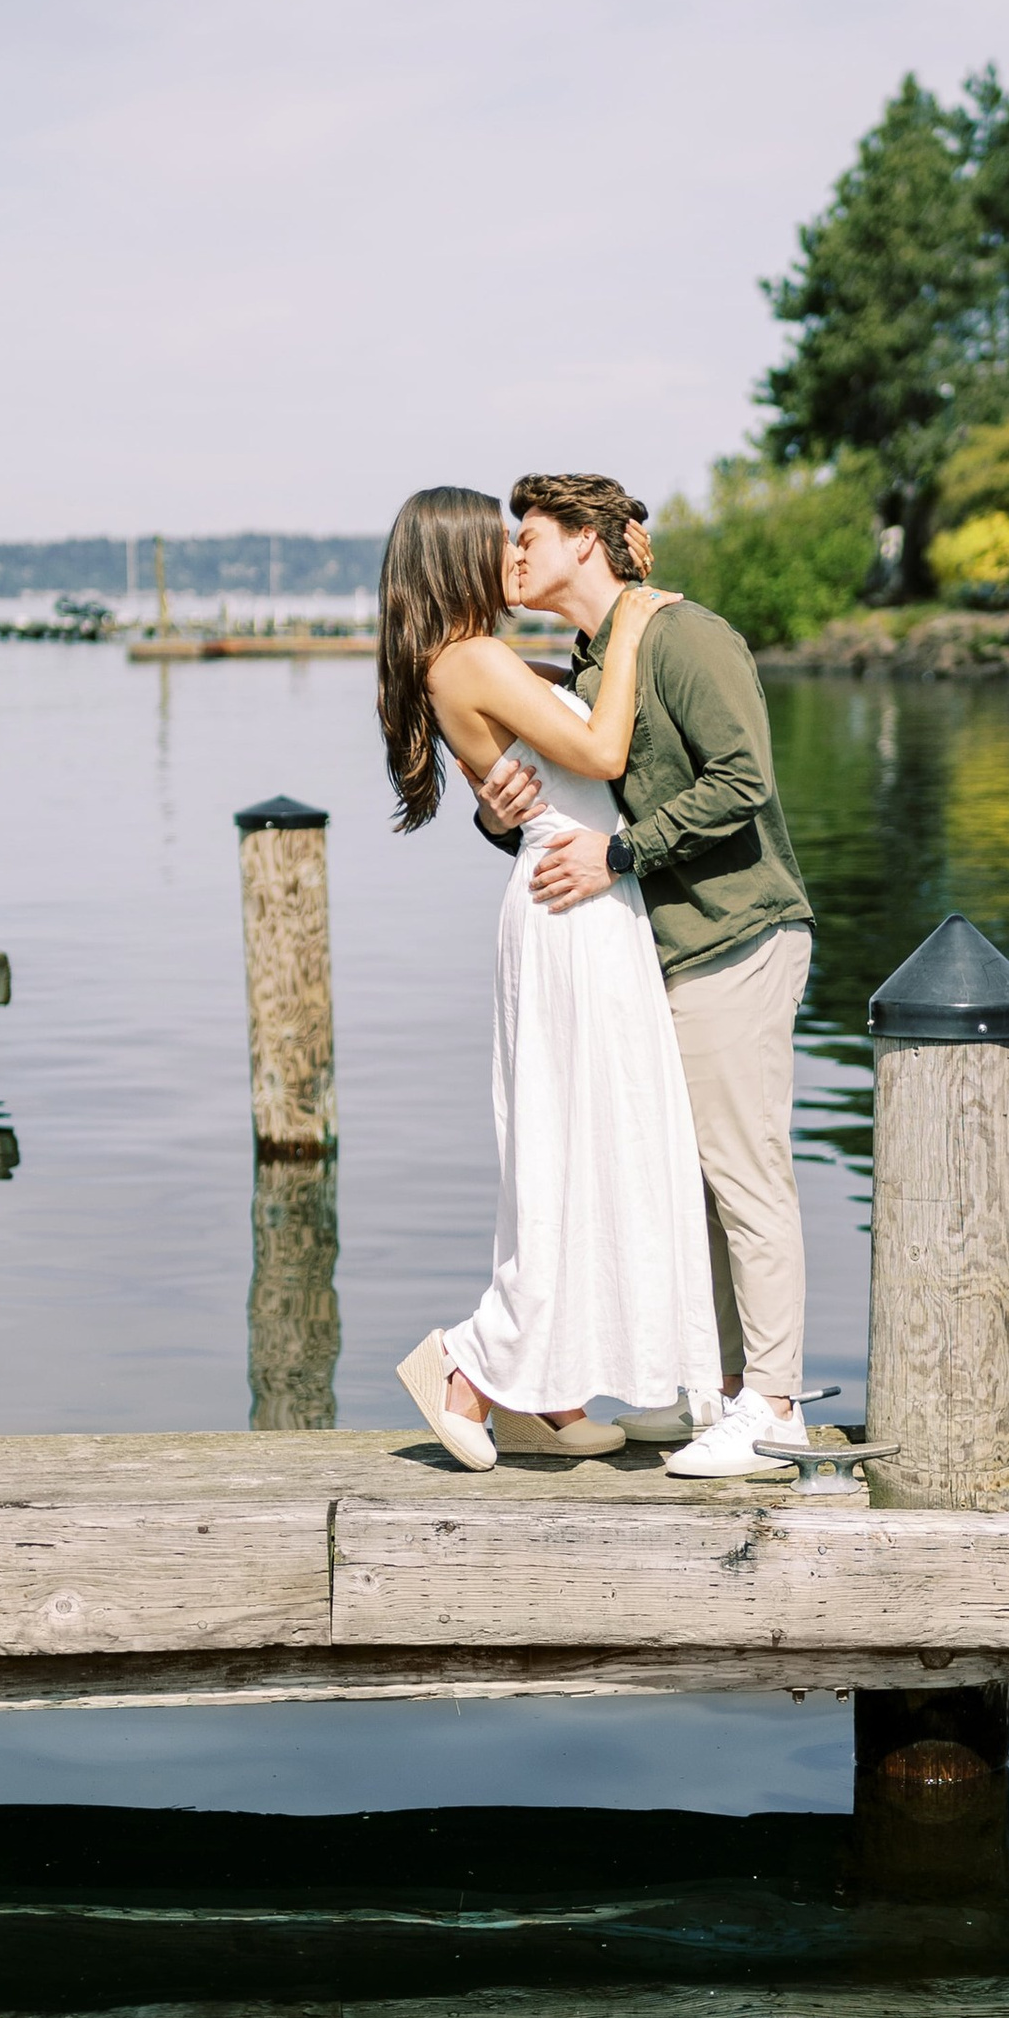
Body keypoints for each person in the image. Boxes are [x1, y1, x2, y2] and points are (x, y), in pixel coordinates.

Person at [472, 474, 816, 1486]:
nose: (512, 554)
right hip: (654, 956)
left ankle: (775, 1406)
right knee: (687, 1178)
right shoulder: (584, 666)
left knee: (744, 1177)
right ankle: (716, 1391)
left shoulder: (681, 635)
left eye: (529, 535)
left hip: (733, 936)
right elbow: (561, 809)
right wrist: (503, 814)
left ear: (588, 540)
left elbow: (744, 778)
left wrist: (622, 854)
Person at [377, 486, 717, 1473]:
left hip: (574, 897)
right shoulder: (474, 658)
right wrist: (642, 626)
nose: (515, 556)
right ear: (455, 559)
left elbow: (541, 777)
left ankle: (549, 1391)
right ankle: (466, 1369)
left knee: (578, 1148)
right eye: (499, 543)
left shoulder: (474, 658)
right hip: (572, 906)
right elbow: (604, 750)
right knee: (572, 1149)